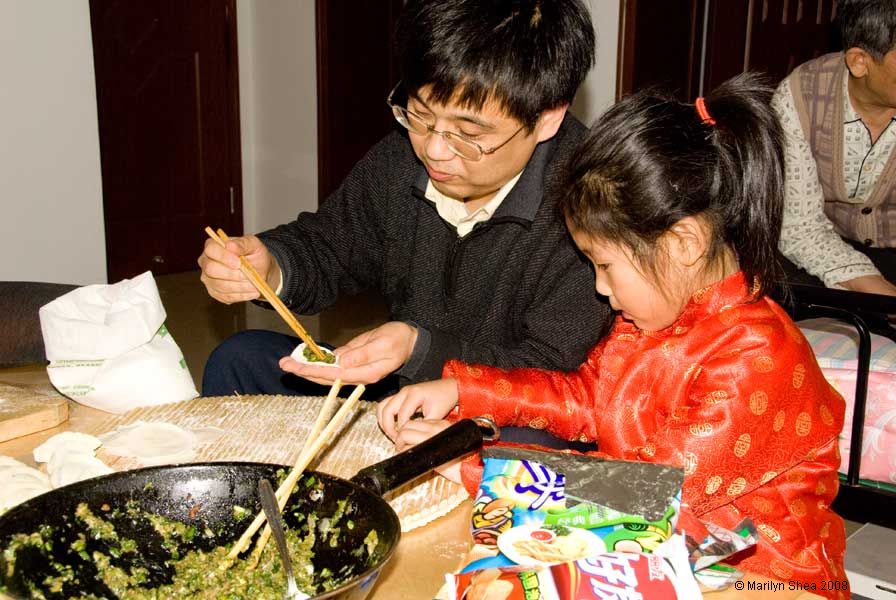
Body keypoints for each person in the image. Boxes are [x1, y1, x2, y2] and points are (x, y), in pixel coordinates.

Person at [377, 74, 847, 596]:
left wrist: (478, 468)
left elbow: (646, 493)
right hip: (666, 550)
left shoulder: (757, 358)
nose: (601, 289)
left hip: (760, 579)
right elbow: (586, 399)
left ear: (682, 243)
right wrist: (465, 391)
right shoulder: (647, 322)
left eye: (604, 265)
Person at [197, 0, 611, 411]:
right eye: (420, 114)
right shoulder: (400, 159)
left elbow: (555, 377)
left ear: (547, 119)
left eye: (467, 134)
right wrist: (271, 266)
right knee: (240, 360)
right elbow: (329, 245)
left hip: (508, 408)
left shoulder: (591, 205)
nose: (434, 150)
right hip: (401, 383)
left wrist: (421, 350)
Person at [775, 0, 896, 296]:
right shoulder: (799, 96)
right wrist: (881, 294)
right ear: (859, 61)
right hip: (819, 247)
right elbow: (799, 228)